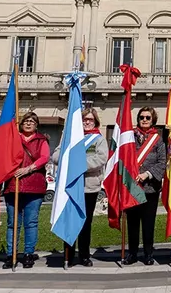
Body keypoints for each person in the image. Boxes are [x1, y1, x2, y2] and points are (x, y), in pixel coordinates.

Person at [51, 107, 108, 266]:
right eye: (84, 119)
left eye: (90, 119)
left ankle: (84, 255)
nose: (87, 122)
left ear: (95, 121)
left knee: (85, 222)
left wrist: (78, 165)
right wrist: (67, 159)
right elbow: (55, 156)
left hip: (89, 187)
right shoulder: (70, 138)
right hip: (71, 186)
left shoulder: (99, 139)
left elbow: (100, 159)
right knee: (70, 220)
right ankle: (68, 254)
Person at [4, 111, 50, 269]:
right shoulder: (13, 139)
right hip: (13, 185)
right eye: (26, 121)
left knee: (31, 222)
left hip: (34, 186)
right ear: (21, 124)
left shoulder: (41, 141)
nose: (29, 123)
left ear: (36, 125)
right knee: (13, 224)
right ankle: (12, 254)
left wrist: (28, 169)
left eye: (32, 121)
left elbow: (44, 158)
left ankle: (28, 253)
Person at [124, 106, 166, 265]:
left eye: (148, 117)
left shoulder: (158, 139)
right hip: (133, 187)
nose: (144, 120)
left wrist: (146, 174)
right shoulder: (130, 138)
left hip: (150, 188)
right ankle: (132, 253)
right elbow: (124, 157)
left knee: (148, 224)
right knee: (133, 224)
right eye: (142, 117)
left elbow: (162, 162)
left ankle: (148, 253)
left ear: (153, 120)